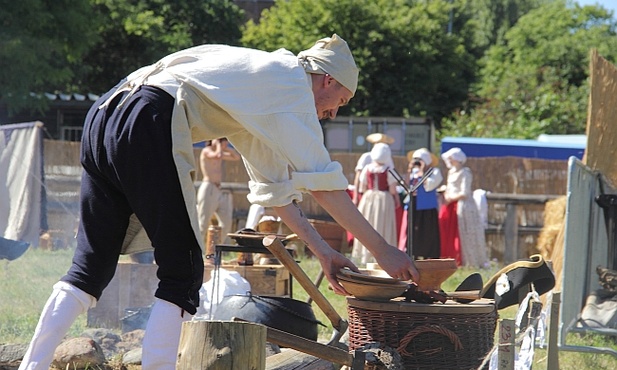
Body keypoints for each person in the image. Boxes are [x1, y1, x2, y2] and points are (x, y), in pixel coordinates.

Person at [19, 34, 419, 370]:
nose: (331, 113)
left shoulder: (258, 92)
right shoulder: (290, 83)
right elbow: (325, 185)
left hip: (104, 114)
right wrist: (383, 250)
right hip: (146, 116)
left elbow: (273, 190)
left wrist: (324, 251)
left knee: (90, 268)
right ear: (327, 79)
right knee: (184, 270)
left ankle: (31, 365)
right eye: (339, 103)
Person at [439, 147, 488, 267]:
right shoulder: (451, 172)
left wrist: (451, 198)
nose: (449, 160)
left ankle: (465, 260)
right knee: (448, 231)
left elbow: (465, 192)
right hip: (450, 205)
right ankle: (449, 257)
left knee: (463, 232)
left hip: (462, 205)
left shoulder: (465, 172)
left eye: (451, 158)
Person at [352, 143, 400, 265]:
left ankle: (365, 255)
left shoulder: (367, 168)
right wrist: (396, 199)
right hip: (384, 199)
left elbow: (362, 187)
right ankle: (384, 255)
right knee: (383, 226)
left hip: (369, 198)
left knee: (367, 224)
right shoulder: (389, 170)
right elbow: (393, 190)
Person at [398, 148, 443, 259]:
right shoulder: (413, 172)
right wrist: (409, 170)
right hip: (413, 205)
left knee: (427, 231)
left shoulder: (434, 172)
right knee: (412, 231)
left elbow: (430, 187)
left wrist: (423, 172)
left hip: (427, 207)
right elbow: (405, 186)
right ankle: (413, 253)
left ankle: (429, 254)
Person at [196, 138, 240, 246]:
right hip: (208, 188)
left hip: (218, 190)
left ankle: (213, 249)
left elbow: (236, 157)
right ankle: (198, 250)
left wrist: (227, 148)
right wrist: (217, 143)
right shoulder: (207, 150)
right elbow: (217, 155)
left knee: (225, 223)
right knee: (203, 223)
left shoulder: (220, 152)